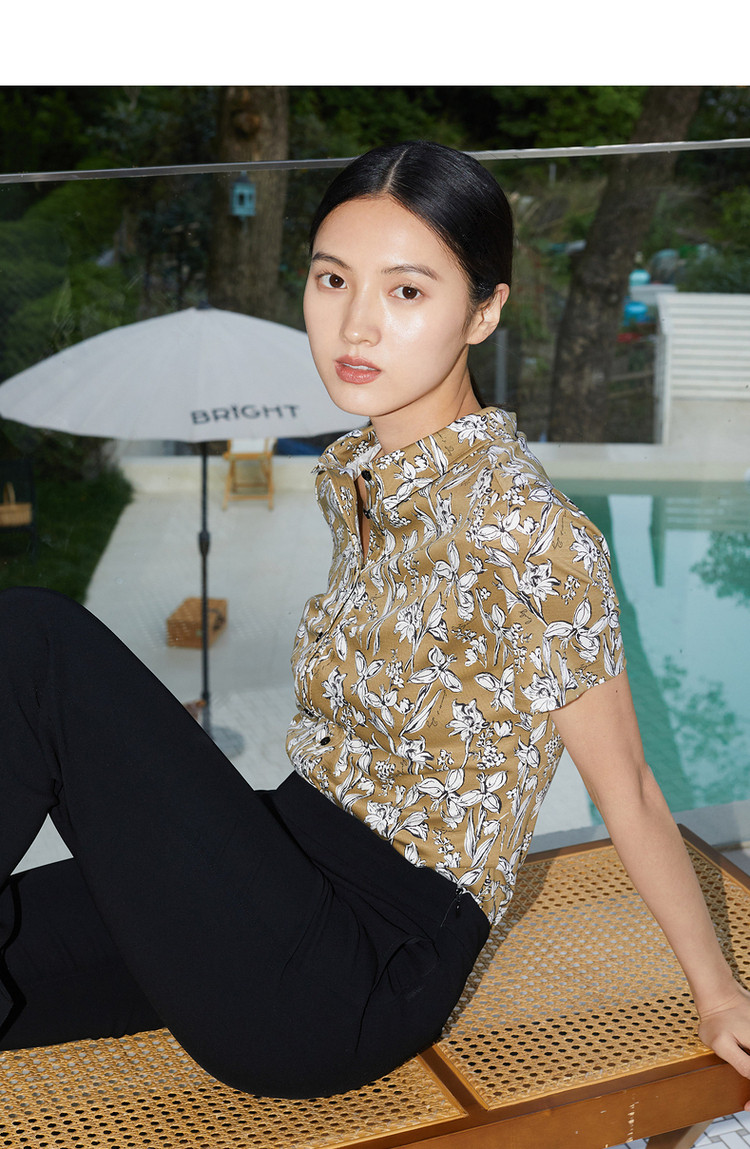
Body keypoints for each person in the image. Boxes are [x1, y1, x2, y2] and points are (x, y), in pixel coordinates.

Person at [0, 140, 749, 1105]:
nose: (355, 323)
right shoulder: (367, 478)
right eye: (332, 279)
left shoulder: (530, 533)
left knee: (36, 642)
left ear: (483, 310)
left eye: (406, 291)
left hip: (353, 971)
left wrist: (719, 993)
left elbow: (632, 788)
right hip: (286, 866)